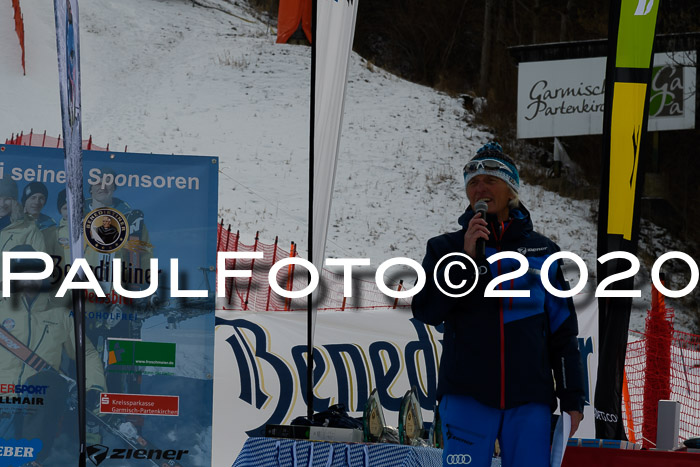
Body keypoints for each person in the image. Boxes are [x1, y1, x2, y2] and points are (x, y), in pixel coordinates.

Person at [412, 142, 585, 467]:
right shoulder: (444, 248)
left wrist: (572, 396)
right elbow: (425, 309)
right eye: (473, 182)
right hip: (466, 397)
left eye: (489, 180)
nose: (480, 187)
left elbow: (563, 330)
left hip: (530, 400)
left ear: (511, 190)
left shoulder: (543, 251)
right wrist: (464, 260)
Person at [0, 245, 106, 464]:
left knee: (28, 455)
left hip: (38, 401)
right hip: (4, 397)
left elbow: (86, 352)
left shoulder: (59, 313)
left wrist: (94, 386)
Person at [22, 181, 58, 256]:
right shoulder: (14, 222)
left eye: (41, 198)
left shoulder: (50, 225)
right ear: (25, 200)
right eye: (33, 198)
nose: (37, 202)